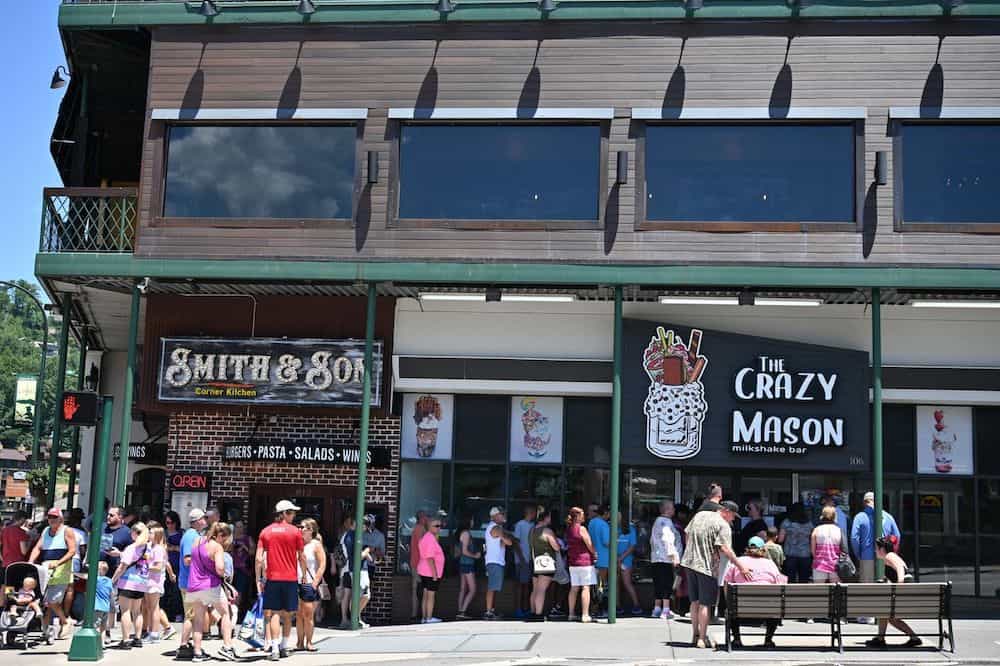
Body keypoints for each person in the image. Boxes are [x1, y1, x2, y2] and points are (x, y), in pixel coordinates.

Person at [680, 500, 749, 649]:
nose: (732, 519)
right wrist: (741, 566)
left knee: (694, 602)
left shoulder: (700, 515)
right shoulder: (723, 525)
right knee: (705, 604)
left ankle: (695, 634)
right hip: (706, 567)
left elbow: (687, 534)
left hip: (689, 563)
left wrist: (690, 551)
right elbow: (725, 548)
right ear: (726, 511)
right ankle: (702, 638)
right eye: (733, 516)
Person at [256, 501, 308, 661]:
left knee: (273, 614)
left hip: (272, 578)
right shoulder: (295, 532)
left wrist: (258, 579)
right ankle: (284, 646)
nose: (294, 516)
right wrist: (304, 574)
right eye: (292, 513)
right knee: (288, 614)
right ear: (284, 513)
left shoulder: (266, 531)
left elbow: (258, 558)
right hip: (290, 578)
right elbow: (302, 556)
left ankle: (275, 649)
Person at [722, 536, 788, 649]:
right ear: (763, 550)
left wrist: (728, 601)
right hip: (767, 609)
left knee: (732, 604)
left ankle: (737, 639)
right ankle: (768, 640)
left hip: (741, 608)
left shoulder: (738, 562)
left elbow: (727, 583)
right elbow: (779, 585)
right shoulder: (770, 564)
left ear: (747, 549)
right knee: (775, 605)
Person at [188, 522, 239, 662]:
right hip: (211, 585)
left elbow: (191, 560)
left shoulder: (197, 541)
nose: (226, 541)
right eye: (226, 538)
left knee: (198, 620)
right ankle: (227, 647)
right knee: (225, 613)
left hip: (194, 584)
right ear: (221, 535)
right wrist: (224, 576)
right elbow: (220, 568)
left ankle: (197, 652)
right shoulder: (217, 547)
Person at [29, 507, 78, 643]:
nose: (52, 520)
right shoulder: (45, 531)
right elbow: (38, 547)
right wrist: (30, 562)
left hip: (61, 570)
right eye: (50, 517)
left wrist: (59, 563)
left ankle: (65, 620)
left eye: (55, 517)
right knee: (46, 602)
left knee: (51, 601)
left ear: (61, 518)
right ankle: (46, 630)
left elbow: (72, 550)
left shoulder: (67, 531)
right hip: (46, 569)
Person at [866, 535, 921, 649]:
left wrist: (899, 587)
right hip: (908, 591)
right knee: (885, 610)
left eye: (876, 548)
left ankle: (913, 638)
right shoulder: (890, 557)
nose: (875, 550)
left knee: (888, 614)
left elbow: (900, 569)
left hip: (905, 591)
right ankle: (882, 638)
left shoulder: (889, 556)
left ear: (882, 549)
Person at [110, 521, 150, 650]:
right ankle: (137, 638)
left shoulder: (131, 547)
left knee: (125, 611)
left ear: (134, 533)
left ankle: (126, 639)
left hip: (128, 581)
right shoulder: (147, 547)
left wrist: (113, 580)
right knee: (137, 611)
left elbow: (123, 566)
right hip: (141, 581)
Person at [177, 508, 208, 660]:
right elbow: (187, 560)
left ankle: (186, 644)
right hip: (191, 583)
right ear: (196, 521)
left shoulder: (192, 535)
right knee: (192, 616)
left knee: (192, 615)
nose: (205, 521)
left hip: (190, 582)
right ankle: (183, 646)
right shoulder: (191, 537)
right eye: (203, 518)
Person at [851, 491, 901, 587]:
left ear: (865, 502)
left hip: (866, 556)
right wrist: (891, 553)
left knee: (866, 588)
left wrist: (859, 554)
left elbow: (854, 538)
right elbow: (897, 536)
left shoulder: (859, 517)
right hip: (885, 558)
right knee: (885, 587)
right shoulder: (888, 517)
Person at [296, 518, 326, 651]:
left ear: (311, 530)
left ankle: (309, 642)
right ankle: (299, 642)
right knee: (298, 614)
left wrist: (315, 583)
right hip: (295, 581)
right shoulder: (296, 543)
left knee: (308, 615)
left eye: (303, 527)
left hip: (308, 582)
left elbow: (322, 564)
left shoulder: (315, 545)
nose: (300, 529)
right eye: (300, 527)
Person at [649, 500, 682, 619]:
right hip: (665, 558)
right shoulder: (666, 523)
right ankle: (666, 609)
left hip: (656, 557)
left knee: (658, 583)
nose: (674, 510)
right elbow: (667, 540)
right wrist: (673, 556)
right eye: (672, 508)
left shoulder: (657, 522)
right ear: (667, 510)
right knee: (667, 583)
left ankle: (657, 608)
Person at [143, 523, 175, 644]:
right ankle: (152, 632)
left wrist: (146, 564)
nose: (149, 534)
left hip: (155, 581)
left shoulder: (159, 549)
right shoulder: (152, 547)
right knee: (150, 608)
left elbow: (159, 566)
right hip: (149, 580)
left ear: (157, 535)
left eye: (151, 532)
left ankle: (154, 633)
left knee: (154, 608)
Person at [565, 506, 597, 623]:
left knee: (574, 588)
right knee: (585, 587)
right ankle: (585, 614)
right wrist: (595, 553)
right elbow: (589, 544)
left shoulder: (569, 528)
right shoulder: (581, 529)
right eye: (582, 514)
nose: (584, 516)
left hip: (573, 562)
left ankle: (571, 614)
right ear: (577, 516)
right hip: (585, 561)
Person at [529, 509, 560, 620]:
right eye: (549, 516)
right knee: (542, 589)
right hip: (546, 562)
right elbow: (556, 547)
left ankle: (533, 612)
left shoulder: (532, 530)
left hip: (534, 561)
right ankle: (538, 614)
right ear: (545, 517)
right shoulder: (547, 531)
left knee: (535, 589)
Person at [483, 507, 514, 620]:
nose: (503, 515)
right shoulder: (495, 527)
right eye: (501, 514)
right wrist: (505, 537)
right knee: (492, 587)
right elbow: (509, 542)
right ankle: (488, 612)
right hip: (494, 561)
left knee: (494, 587)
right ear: (494, 516)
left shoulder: (496, 527)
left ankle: (491, 610)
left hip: (496, 561)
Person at [417, 516, 445, 624]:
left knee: (426, 594)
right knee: (430, 595)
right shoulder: (429, 538)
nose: (439, 528)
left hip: (424, 571)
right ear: (429, 527)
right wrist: (434, 574)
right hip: (429, 572)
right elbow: (429, 558)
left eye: (440, 526)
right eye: (436, 526)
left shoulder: (428, 537)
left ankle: (424, 618)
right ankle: (428, 618)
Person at [778, 503, 813, 584]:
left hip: (790, 554)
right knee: (804, 579)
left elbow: (780, 539)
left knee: (790, 579)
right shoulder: (809, 523)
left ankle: (790, 595)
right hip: (805, 554)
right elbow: (812, 538)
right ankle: (802, 594)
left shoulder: (786, 522)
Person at [512, 505, 537, 619]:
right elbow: (515, 542)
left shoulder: (533, 525)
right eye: (533, 512)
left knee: (527, 585)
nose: (535, 515)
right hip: (522, 560)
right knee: (521, 585)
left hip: (531, 559)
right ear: (529, 512)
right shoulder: (520, 524)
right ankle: (518, 609)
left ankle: (526, 608)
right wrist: (521, 558)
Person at [615, 512, 642, 615]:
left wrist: (621, 558)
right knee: (615, 583)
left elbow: (632, 545)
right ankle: (617, 606)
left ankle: (636, 604)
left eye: (618, 515)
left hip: (625, 559)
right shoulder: (611, 526)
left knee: (627, 582)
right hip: (614, 559)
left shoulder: (630, 528)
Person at [454, 517, 480, 619]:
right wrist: (475, 556)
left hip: (462, 563)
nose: (473, 521)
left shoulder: (463, 533)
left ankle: (460, 611)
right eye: (472, 519)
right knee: (473, 589)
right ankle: (463, 611)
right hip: (467, 564)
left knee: (463, 588)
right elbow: (464, 551)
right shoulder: (466, 534)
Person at [588, 505, 611, 617]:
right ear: (605, 513)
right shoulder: (604, 525)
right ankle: (600, 608)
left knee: (594, 585)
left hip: (593, 557)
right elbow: (607, 542)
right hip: (604, 558)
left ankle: (593, 608)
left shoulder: (591, 523)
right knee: (602, 585)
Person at [811, 506, 844, 584]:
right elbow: (843, 549)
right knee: (837, 592)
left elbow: (813, 551)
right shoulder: (839, 530)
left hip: (819, 565)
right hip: (835, 565)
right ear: (834, 516)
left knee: (819, 591)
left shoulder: (816, 530)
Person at [231, 520, 255, 623]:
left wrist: (244, 547)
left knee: (240, 591)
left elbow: (253, 552)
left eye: (241, 527)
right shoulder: (231, 538)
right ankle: (232, 610)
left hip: (243, 569)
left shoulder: (248, 539)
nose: (239, 529)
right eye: (237, 527)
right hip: (232, 568)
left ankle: (237, 612)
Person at [163, 511, 184, 622]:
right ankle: (165, 613)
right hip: (165, 564)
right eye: (167, 523)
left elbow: (184, 549)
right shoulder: (163, 533)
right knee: (165, 590)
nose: (169, 525)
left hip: (178, 565)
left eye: (171, 522)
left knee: (176, 591)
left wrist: (173, 548)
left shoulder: (182, 533)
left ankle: (177, 613)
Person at [408, 510, 429, 620]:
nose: (427, 519)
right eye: (425, 517)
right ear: (421, 518)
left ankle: (414, 614)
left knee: (415, 589)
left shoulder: (416, 528)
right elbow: (423, 545)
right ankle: (419, 614)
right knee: (420, 589)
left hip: (415, 562)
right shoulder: (420, 528)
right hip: (419, 563)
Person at [100, 506, 133, 572]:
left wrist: (119, 553)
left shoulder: (127, 533)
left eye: (111, 515)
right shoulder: (101, 527)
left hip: (113, 571)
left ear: (120, 516)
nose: (108, 517)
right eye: (108, 514)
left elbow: (131, 554)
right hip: (96, 568)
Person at [1, 510, 31, 575]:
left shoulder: (4, 531)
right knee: (16, 584)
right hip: (18, 563)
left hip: (5, 564)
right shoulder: (21, 532)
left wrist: (2, 559)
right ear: (22, 519)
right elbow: (24, 551)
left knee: (5, 584)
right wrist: (29, 543)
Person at [94, 561, 113, 644]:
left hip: (97, 607)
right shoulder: (109, 581)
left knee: (96, 626)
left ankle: (95, 644)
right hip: (106, 607)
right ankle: (102, 644)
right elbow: (111, 594)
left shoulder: (96, 579)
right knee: (103, 627)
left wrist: (74, 573)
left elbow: (85, 576)